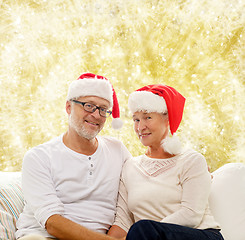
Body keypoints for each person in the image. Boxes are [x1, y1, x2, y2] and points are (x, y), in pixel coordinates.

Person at [15, 73, 131, 240]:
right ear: (69, 107)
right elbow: (52, 222)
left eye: (103, 109)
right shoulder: (38, 157)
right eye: (89, 105)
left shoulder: (118, 150)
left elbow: (126, 207)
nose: (97, 115)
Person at [108, 84, 224, 240]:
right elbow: (122, 223)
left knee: (143, 229)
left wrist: (148, 233)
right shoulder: (130, 167)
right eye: (136, 119)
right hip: (145, 235)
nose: (140, 127)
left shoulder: (191, 160)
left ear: (168, 119)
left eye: (148, 117)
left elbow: (191, 215)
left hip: (200, 235)